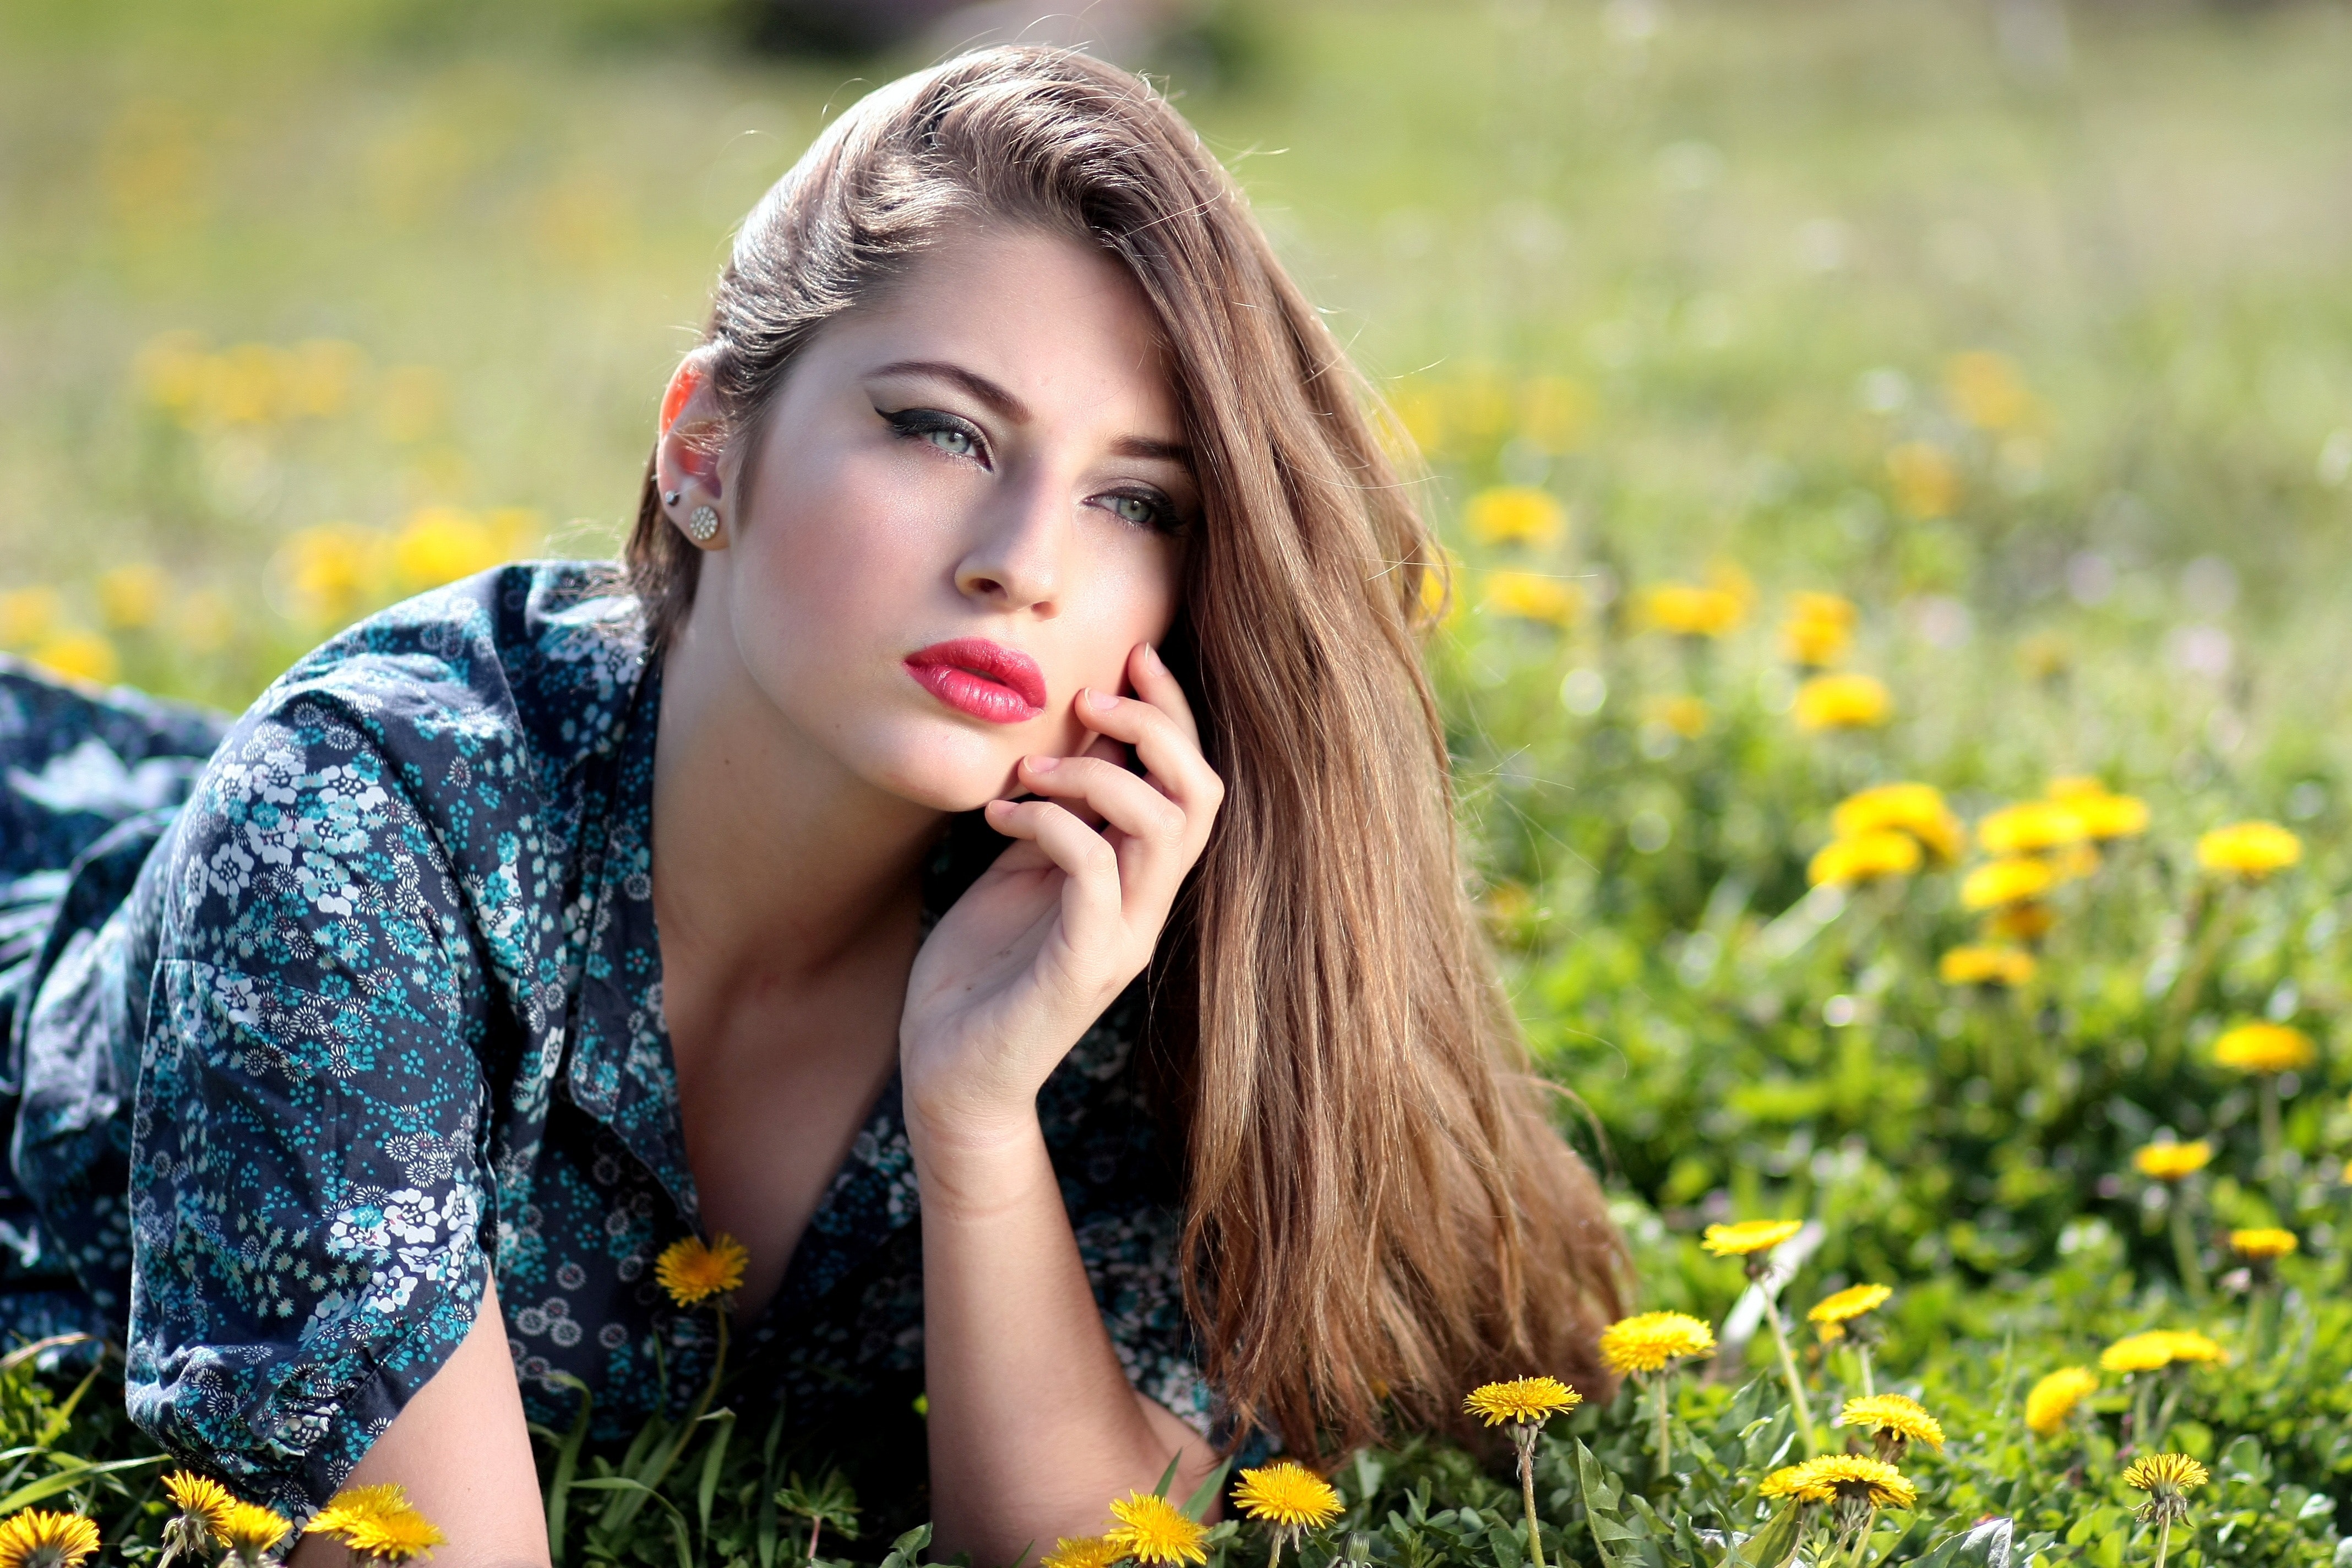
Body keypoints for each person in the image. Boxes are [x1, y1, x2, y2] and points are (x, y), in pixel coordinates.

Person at [0, 46, 1623, 1568]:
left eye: (1135, 497)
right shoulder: (351, 842)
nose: (1025, 561)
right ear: (704, 453)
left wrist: (978, 1114)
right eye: (939, 428)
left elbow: (1093, 1535)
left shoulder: (1112, 900)